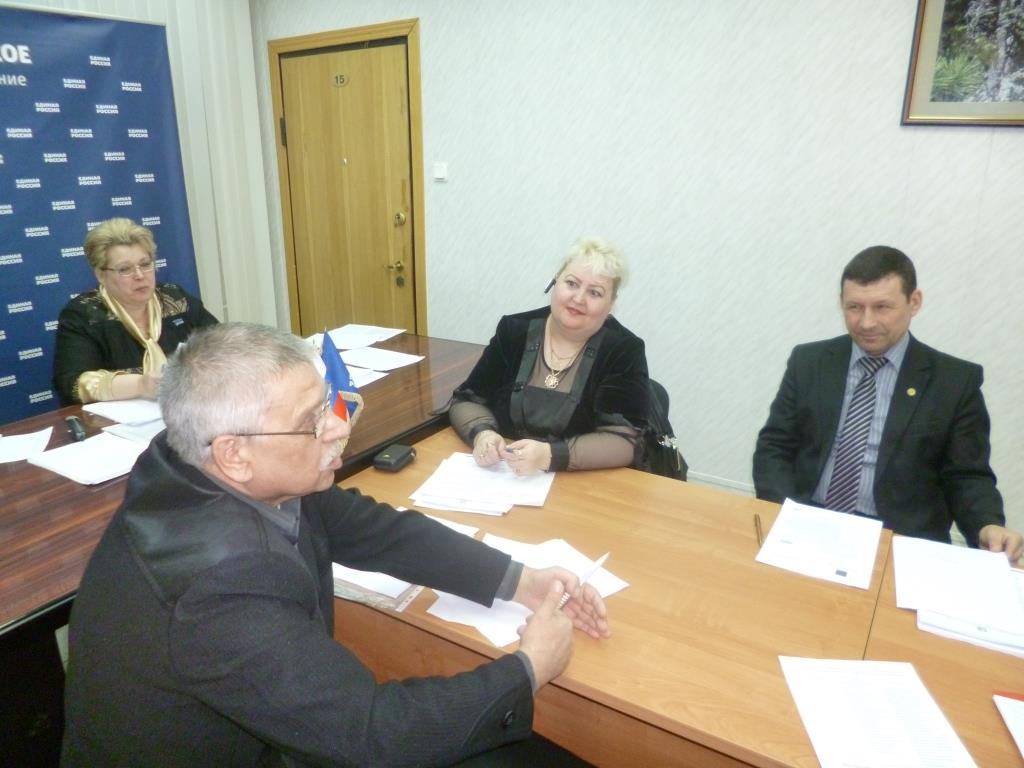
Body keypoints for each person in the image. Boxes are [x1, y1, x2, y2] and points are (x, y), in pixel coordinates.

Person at [61, 322, 609, 768]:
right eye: (312, 421)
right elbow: (371, 734)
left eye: (327, 405)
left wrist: (519, 579)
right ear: (234, 453)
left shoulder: (200, 456)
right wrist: (529, 667)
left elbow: (374, 530)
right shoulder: (219, 588)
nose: (337, 429)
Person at [753, 245, 1022, 562]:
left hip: (899, 540)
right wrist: (788, 515)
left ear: (914, 302)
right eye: (855, 307)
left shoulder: (954, 382)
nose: (866, 322)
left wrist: (987, 524)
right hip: (811, 523)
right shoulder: (810, 361)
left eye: (882, 307)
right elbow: (775, 446)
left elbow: (966, 475)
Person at [450, 238, 650, 476]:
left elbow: (626, 441)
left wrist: (549, 455)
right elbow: (467, 400)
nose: (579, 299)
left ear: (611, 304)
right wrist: (483, 433)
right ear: (554, 283)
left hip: (583, 482)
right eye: (572, 283)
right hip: (505, 475)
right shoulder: (514, 330)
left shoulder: (623, 350)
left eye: (595, 292)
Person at [52, 217, 218, 405]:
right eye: (125, 269)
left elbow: (221, 344)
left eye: (145, 264)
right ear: (101, 275)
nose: (140, 275)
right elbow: (72, 383)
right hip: (118, 419)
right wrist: (140, 385)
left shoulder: (175, 299)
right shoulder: (85, 315)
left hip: (186, 407)